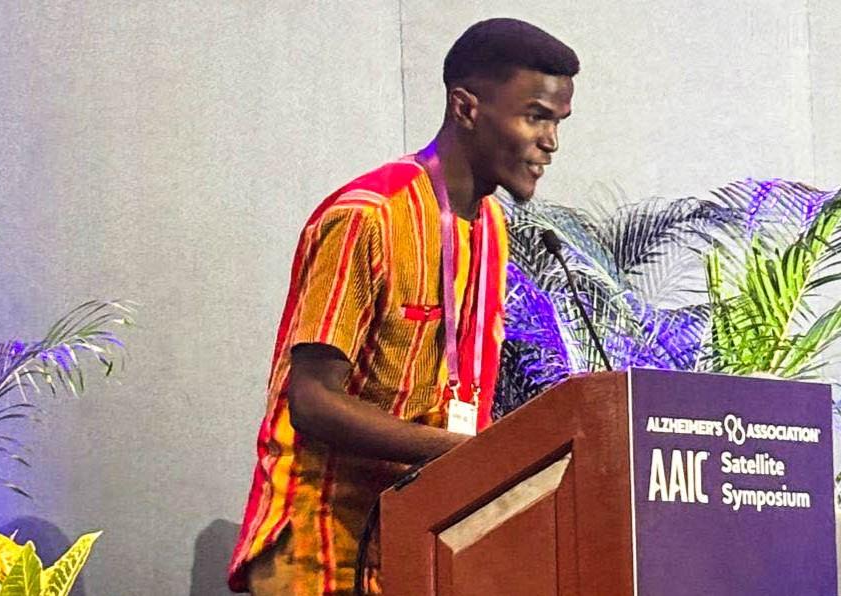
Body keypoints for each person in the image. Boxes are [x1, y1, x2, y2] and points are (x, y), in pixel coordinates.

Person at [228, 17, 578, 595]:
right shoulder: (368, 216)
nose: (551, 142)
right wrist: (469, 455)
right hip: (323, 545)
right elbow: (312, 402)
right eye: (535, 116)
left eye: (558, 123)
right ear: (466, 108)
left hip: (421, 538)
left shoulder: (491, 227)